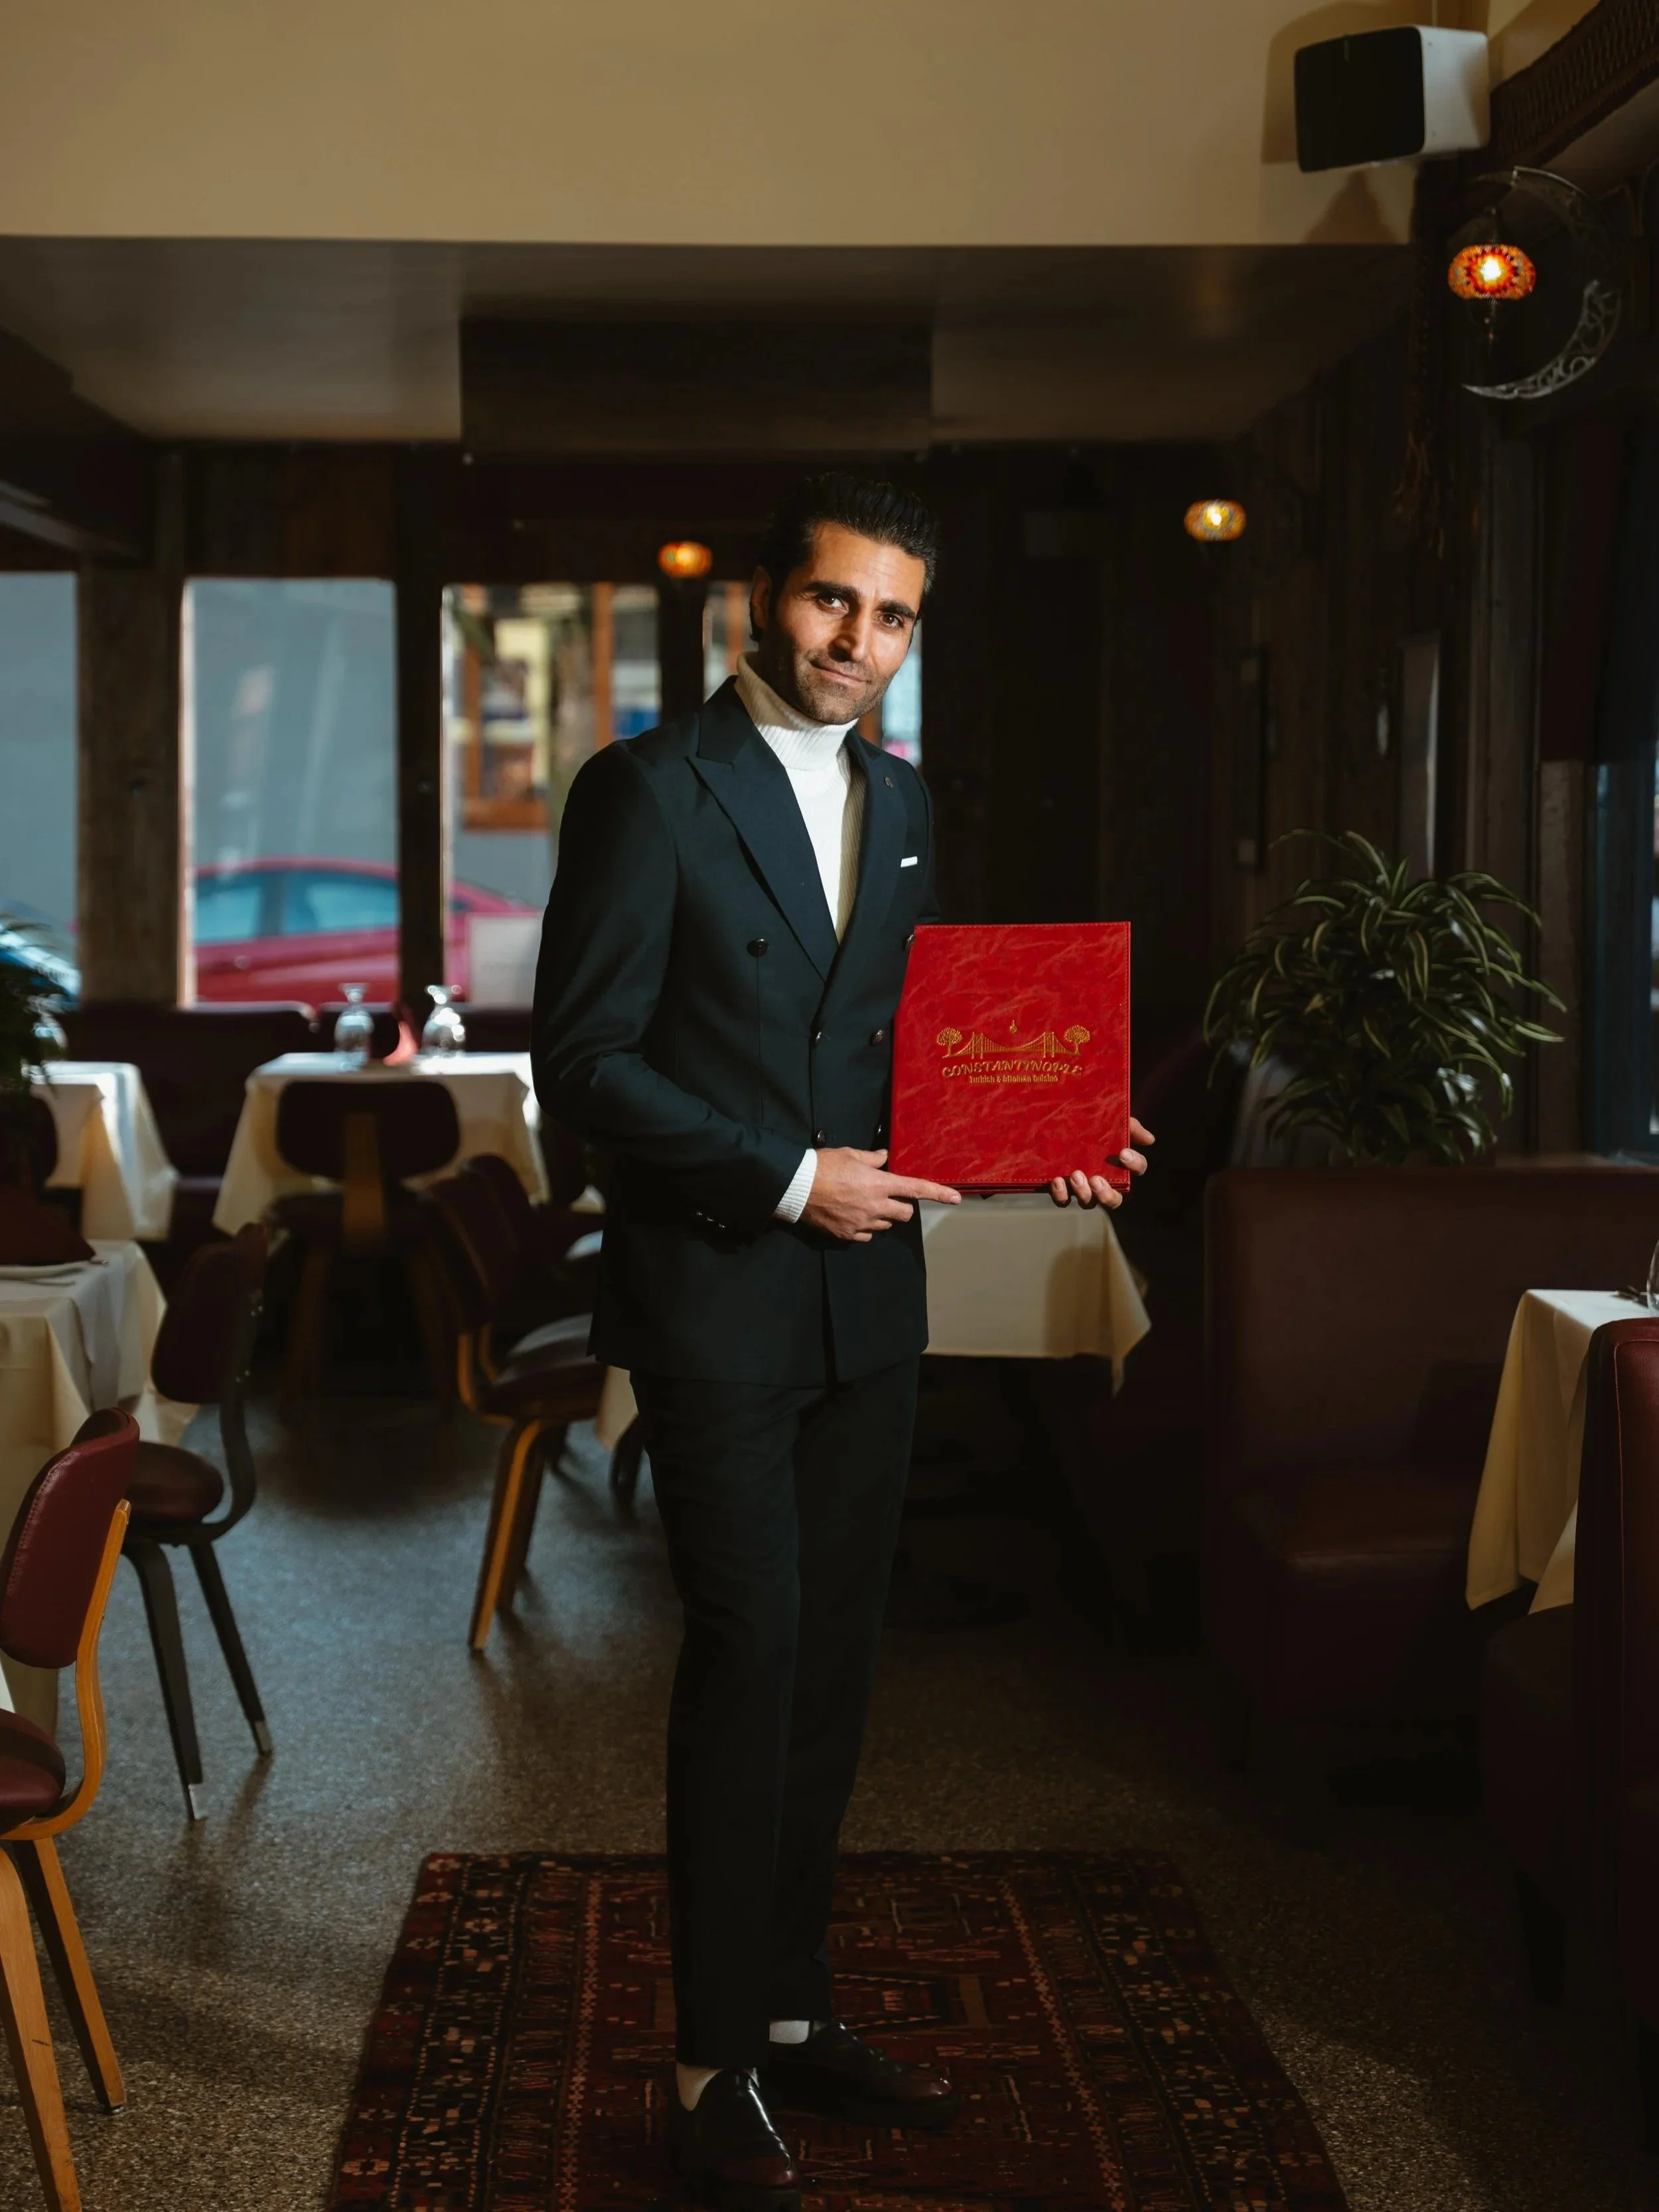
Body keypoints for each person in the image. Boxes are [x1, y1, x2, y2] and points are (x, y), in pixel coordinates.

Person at [533, 471, 1151, 2211]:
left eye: (892, 617)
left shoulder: (904, 802)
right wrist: (790, 1175)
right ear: (764, 598)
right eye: (832, 603)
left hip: (872, 1307)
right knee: (749, 1657)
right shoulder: (648, 789)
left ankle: (794, 2014)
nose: (856, 643)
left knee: (832, 1671)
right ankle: (707, 2062)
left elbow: (907, 1061)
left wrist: (1049, 1141)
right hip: (720, 1296)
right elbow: (579, 1065)